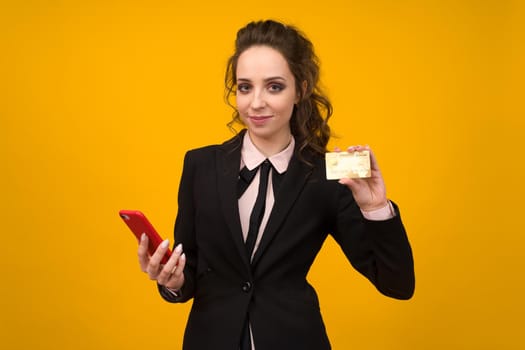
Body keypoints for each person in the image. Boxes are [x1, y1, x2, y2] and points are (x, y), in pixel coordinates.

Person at [137, 19, 415, 350]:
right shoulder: (200, 165)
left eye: (274, 87)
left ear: (301, 88)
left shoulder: (328, 173)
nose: (256, 103)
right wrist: (173, 281)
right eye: (244, 87)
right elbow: (189, 272)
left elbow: (397, 284)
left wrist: (375, 208)